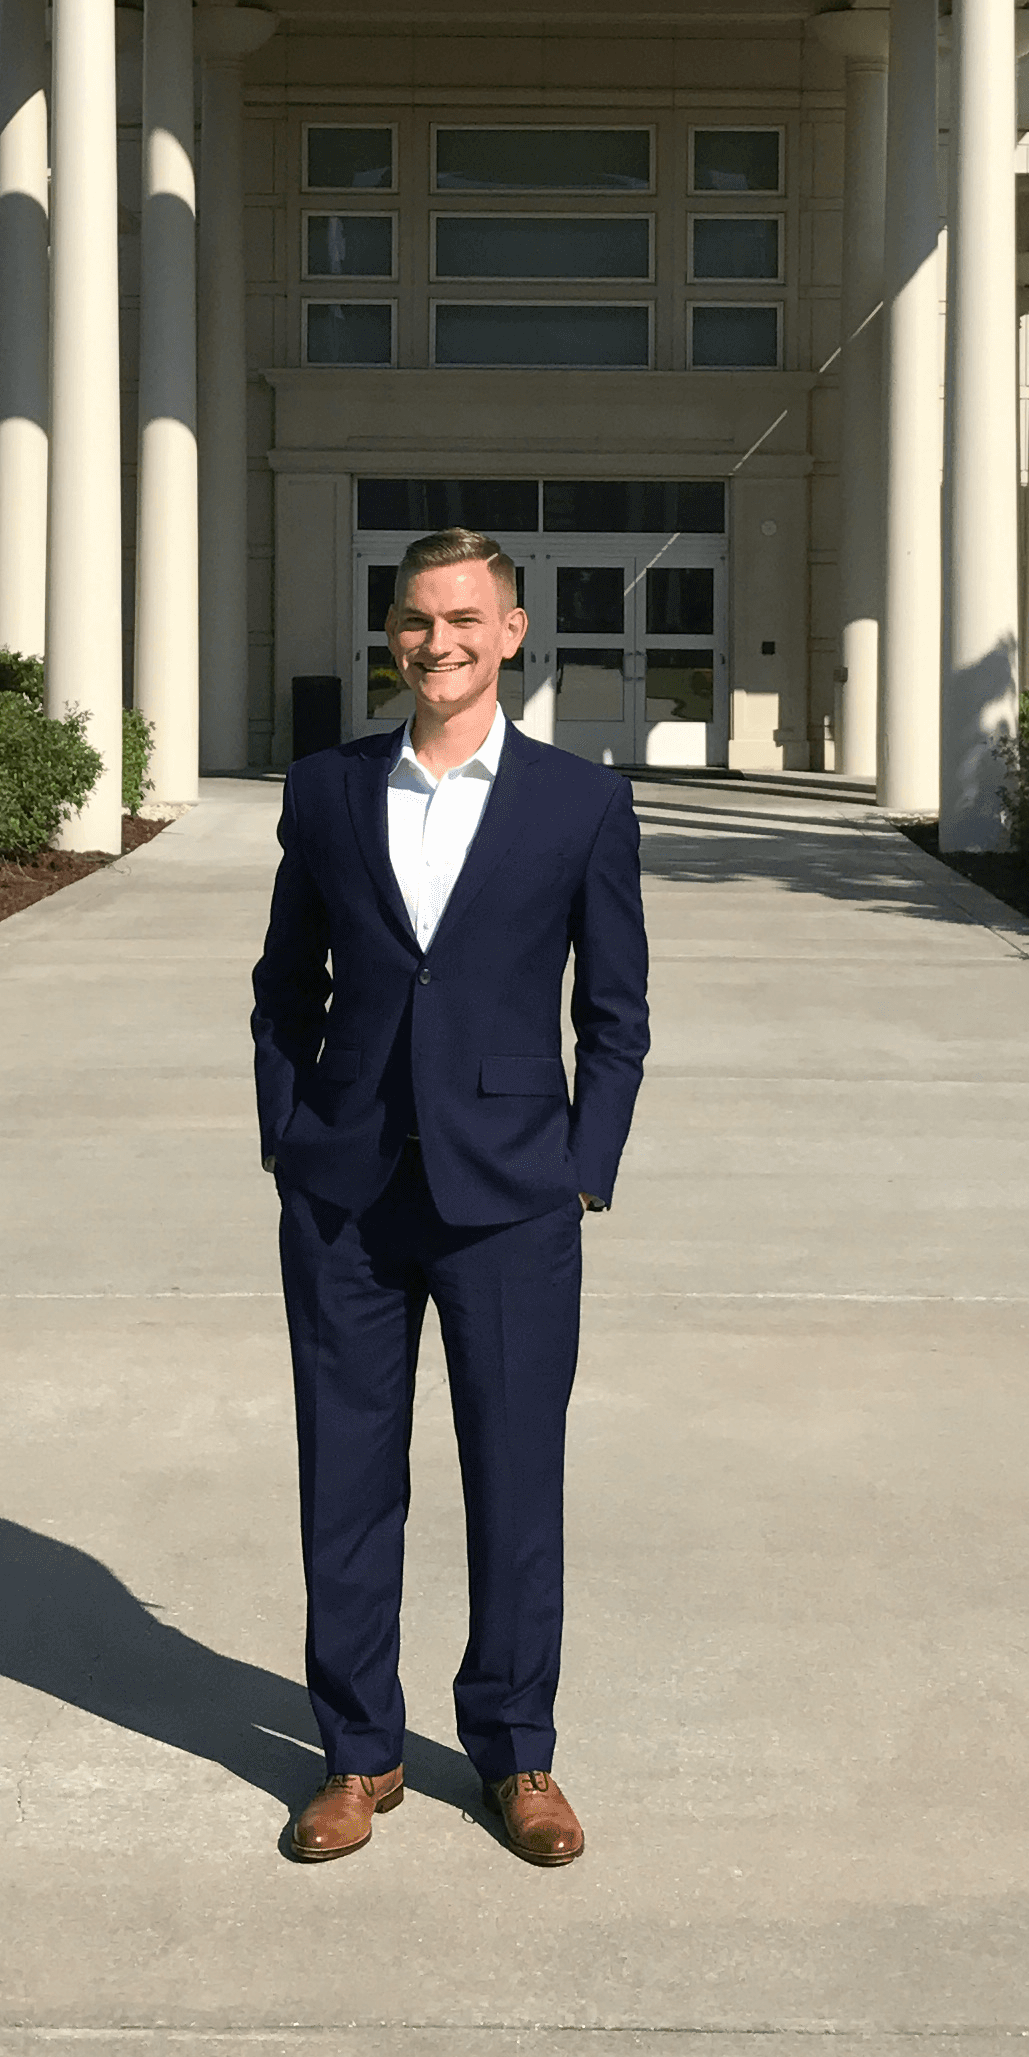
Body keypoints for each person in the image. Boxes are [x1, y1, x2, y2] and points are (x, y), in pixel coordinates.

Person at [251, 526, 649, 1868]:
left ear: (514, 632)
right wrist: (286, 1134)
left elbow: (616, 1014)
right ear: (395, 635)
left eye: (465, 619)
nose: (440, 642)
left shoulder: (580, 805)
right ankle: (358, 1756)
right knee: (346, 1481)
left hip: (512, 1200)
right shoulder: (322, 792)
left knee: (514, 1480)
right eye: (419, 620)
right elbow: (281, 987)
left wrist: (584, 1171)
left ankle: (517, 1755)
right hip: (349, 1194)